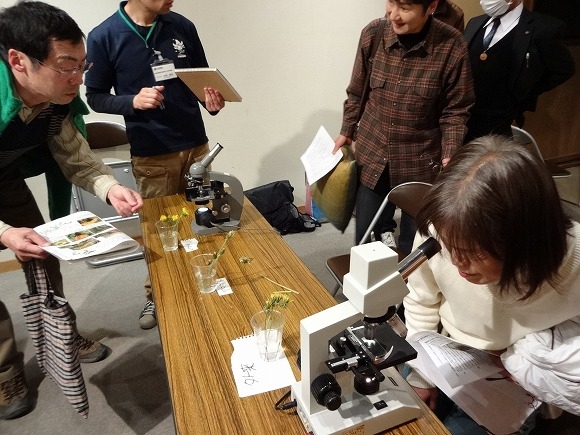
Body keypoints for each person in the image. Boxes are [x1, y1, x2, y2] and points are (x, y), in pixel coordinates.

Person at [0, 1, 143, 420]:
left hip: (3, 175)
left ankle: (60, 332)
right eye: (66, 66)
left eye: (82, 65)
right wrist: (3, 232)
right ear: (18, 61)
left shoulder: (57, 100)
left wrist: (111, 188)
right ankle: (5, 370)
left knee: (42, 250)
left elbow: (76, 159)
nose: (78, 79)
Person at [403, 135, 580, 433]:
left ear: (525, 241)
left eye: (473, 253)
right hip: (445, 352)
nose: (456, 262)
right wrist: (421, 376)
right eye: (449, 247)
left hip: (514, 384)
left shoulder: (573, 260)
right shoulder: (442, 227)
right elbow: (422, 299)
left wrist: (532, 368)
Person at [85, 0, 226, 330]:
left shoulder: (182, 26)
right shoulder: (104, 36)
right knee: (162, 231)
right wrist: (132, 101)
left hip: (196, 147)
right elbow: (94, 96)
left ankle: (205, 279)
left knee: (204, 220)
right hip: (152, 154)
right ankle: (157, 294)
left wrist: (212, 101)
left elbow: (200, 80)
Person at [333, 0, 474, 258]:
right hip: (373, 154)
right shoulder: (374, 33)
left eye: (405, 8)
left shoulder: (452, 46)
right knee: (365, 240)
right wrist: (347, 129)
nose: (393, 15)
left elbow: (456, 109)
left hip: (420, 161)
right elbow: (357, 91)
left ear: (431, 6)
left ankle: (407, 286)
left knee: (416, 245)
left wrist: (450, 153)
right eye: (391, 2)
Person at [464, 0, 575, 141]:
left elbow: (563, 70)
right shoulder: (475, 23)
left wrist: (526, 89)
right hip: (464, 117)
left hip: (500, 122)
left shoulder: (544, 28)